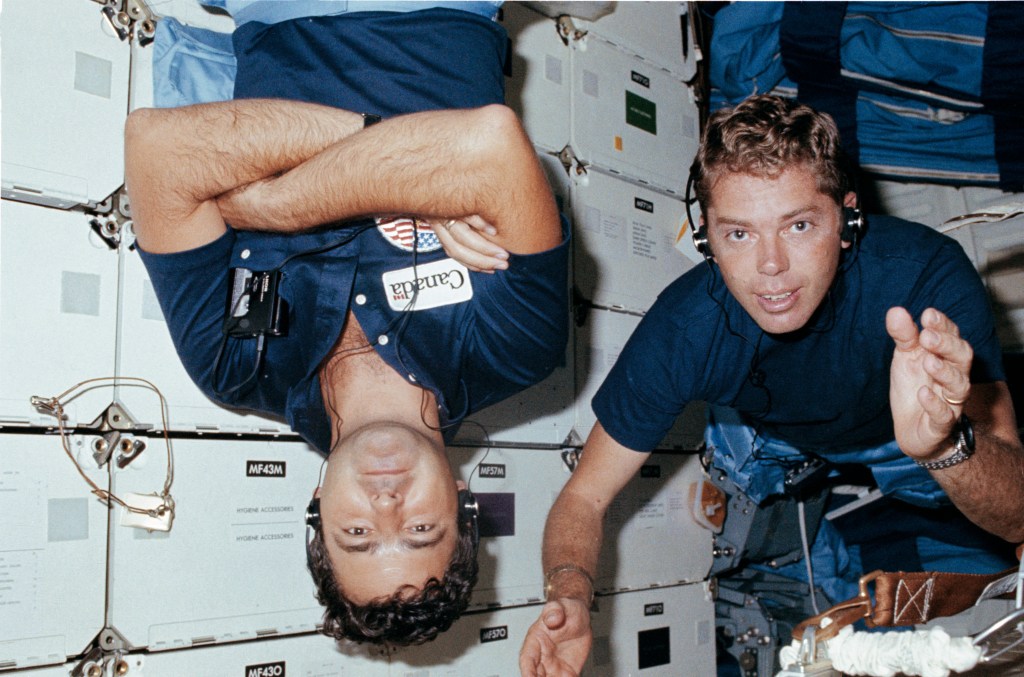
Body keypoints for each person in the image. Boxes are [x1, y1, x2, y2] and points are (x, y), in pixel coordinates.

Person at [519, 94, 1024, 675]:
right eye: (739, 235)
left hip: (906, 434)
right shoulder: (685, 329)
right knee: (716, 507)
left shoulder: (926, 277)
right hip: (771, 434)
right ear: (706, 233)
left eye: (800, 225)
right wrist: (569, 596)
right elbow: (583, 496)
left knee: (976, 537)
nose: (771, 267)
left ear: (847, 219)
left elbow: (1017, 516)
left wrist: (943, 446)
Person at [126, 5, 569, 646]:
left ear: (317, 509)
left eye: (357, 535)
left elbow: (155, 147)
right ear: (463, 503)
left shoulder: (233, 365)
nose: (386, 506)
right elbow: (492, 142)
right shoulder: (515, 351)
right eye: (421, 530)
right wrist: (261, 197)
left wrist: (412, 170)